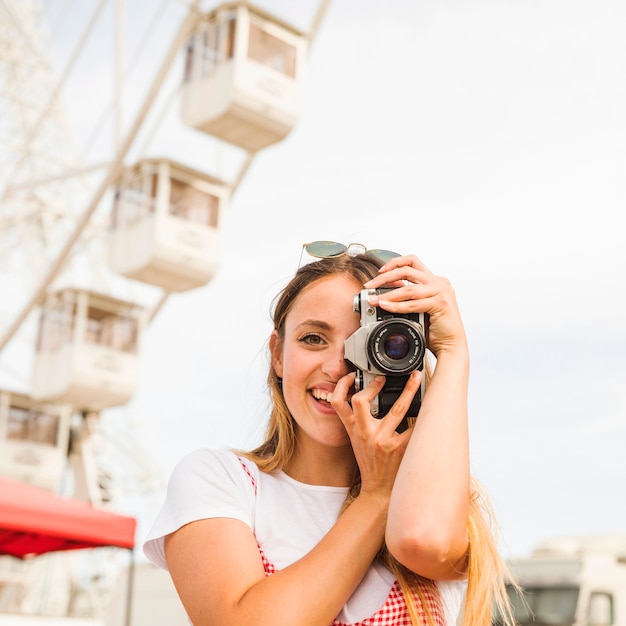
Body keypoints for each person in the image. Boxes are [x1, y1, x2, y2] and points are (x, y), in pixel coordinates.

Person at [143, 244, 515, 626]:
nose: (338, 367)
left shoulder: (433, 498)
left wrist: (454, 352)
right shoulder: (219, 480)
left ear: (409, 357)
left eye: (369, 342)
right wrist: (377, 494)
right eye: (313, 339)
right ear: (278, 354)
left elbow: (424, 541)